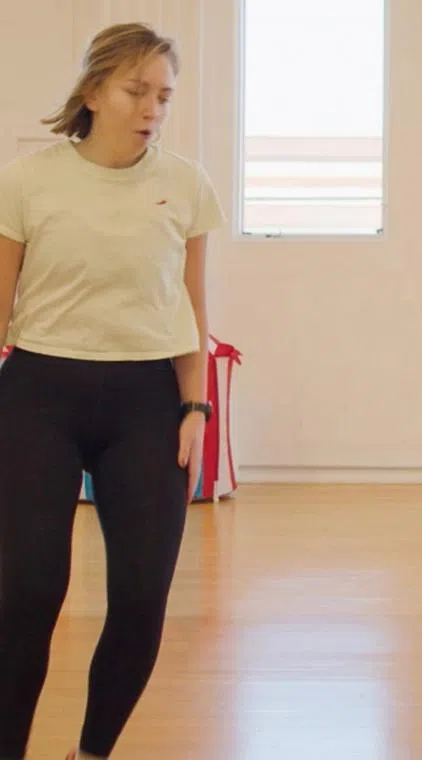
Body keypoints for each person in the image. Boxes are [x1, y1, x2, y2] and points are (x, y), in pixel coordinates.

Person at [0, 22, 224, 760]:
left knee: (139, 601)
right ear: (93, 91)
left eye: (163, 94)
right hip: (40, 395)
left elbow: (192, 304)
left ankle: (91, 753)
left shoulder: (185, 183)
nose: (150, 107)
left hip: (148, 404)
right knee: (28, 599)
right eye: (135, 90)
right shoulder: (27, 180)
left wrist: (195, 405)